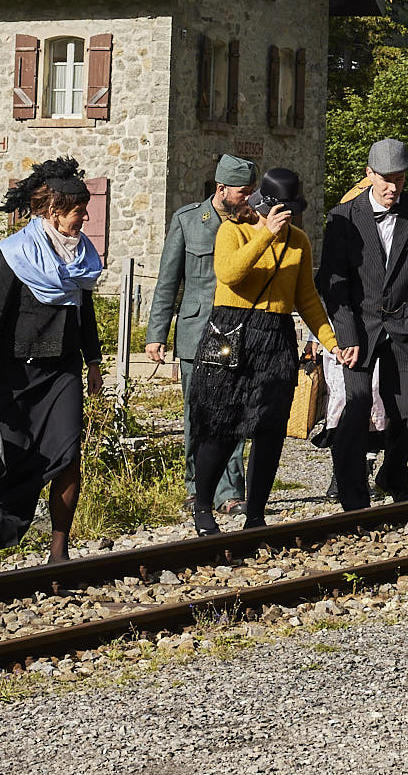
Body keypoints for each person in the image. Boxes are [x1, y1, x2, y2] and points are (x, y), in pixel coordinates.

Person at [189, 167, 351, 532]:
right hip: (230, 332)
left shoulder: (299, 242)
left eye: (292, 209)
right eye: (282, 208)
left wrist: (332, 343)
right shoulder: (233, 230)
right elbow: (230, 274)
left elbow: (306, 298)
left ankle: (256, 514)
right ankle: (203, 507)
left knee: (269, 427)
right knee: (220, 422)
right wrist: (264, 234)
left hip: (275, 336)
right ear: (262, 204)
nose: (287, 216)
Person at [0, 162, 103, 573]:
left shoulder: (82, 257)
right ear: (54, 211)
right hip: (16, 374)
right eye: (78, 210)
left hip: (63, 371)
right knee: (5, 462)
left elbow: (84, 310)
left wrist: (94, 361)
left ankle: (59, 553)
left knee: (68, 456)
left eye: (85, 208)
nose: (85, 217)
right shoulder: (15, 254)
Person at [321, 138, 408, 510]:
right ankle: (352, 496)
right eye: (386, 179)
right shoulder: (342, 217)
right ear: (369, 175)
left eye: (400, 179)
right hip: (358, 331)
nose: (393, 188)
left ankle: (393, 475)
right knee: (356, 409)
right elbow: (332, 282)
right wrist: (345, 334)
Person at [145, 153, 256, 522]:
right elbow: (168, 282)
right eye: (243, 192)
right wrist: (156, 334)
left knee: (235, 413)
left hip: (238, 333)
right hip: (197, 332)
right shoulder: (189, 221)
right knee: (198, 414)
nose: (249, 198)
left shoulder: (255, 224)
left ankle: (230, 491)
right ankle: (196, 488)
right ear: (222, 189)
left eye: (252, 191)